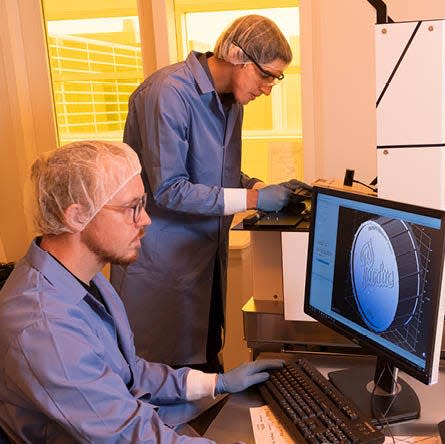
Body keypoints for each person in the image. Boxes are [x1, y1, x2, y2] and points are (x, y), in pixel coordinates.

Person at [0, 140, 283, 443]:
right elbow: (128, 436)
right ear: (76, 214)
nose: (145, 220)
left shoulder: (81, 279)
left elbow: (129, 371)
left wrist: (214, 383)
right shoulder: (44, 326)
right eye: (132, 208)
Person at [112, 14, 306, 371]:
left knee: (205, 371)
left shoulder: (232, 102)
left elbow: (218, 173)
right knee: (158, 382)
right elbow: (170, 189)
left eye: (274, 80)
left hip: (204, 269)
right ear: (236, 55)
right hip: (161, 269)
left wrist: (255, 186)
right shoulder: (167, 93)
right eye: (265, 75)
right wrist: (252, 200)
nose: (267, 88)